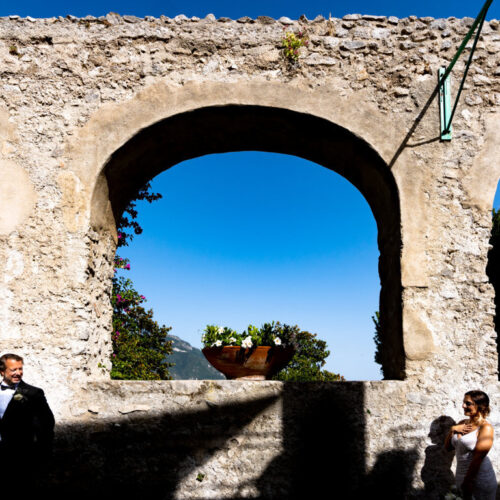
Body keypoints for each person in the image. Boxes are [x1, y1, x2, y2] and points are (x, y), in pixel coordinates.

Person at [0, 353, 55, 488]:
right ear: (2, 372)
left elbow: (47, 424)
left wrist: (39, 454)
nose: (18, 373)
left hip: (21, 458)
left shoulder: (34, 394)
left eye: (20, 369)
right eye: (13, 370)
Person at [444, 390, 497, 500]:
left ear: (480, 406)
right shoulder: (462, 423)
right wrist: (452, 429)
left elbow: (478, 459)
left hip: (478, 478)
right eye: (463, 402)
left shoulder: (485, 428)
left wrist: (468, 482)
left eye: (468, 403)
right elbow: (448, 447)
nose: (463, 406)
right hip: (461, 475)